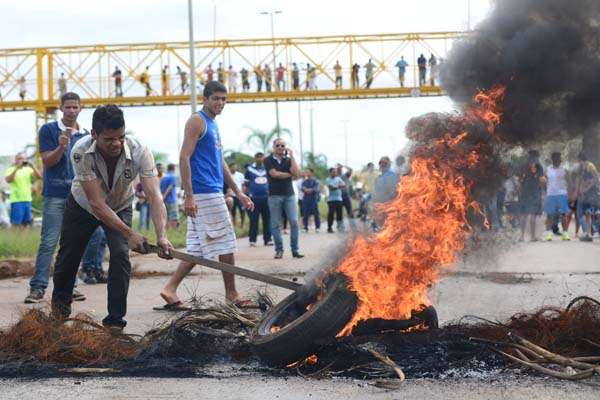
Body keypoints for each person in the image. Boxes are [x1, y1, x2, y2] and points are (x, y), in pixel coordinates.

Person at [51, 104, 174, 331]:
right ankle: (59, 313)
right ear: (94, 134)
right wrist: (130, 233)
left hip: (120, 205)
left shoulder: (140, 150)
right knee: (68, 257)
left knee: (120, 255)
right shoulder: (80, 151)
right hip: (82, 207)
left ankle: (115, 321)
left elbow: (155, 196)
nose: (117, 144)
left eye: (121, 137)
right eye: (109, 139)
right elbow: (97, 204)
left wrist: (162, 236)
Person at [160, 81, 254, 309]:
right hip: (204, 193)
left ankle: (169, 289)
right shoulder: (197, 121)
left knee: (198, 249)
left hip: (213, 190)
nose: (220, 103)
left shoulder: (213, 125)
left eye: (224, 99)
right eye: (216, 98)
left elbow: (219, 162)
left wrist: (238, 192)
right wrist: (189, 196)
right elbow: (184, 157)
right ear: (206, 98)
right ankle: (231, 293)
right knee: (226, 243)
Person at [25, 92, 91, 303]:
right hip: (55, 194)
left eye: (75, 107)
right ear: (60, 108)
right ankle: (37, 287)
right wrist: (62, 145)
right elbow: (48, 162)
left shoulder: (87, 135)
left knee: (73, 243)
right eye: (68, 107)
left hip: (78, 197)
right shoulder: (49, 130)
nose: (71, 110)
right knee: (49, 242)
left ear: (81, 109)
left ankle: (70, 286)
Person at [264, 138, 303, 259]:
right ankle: (279, 250)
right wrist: (288, 175)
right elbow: (274, 174)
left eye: (282, 145)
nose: (280, 147)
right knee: (275, 224)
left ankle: (295, 250)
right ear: (273, 146)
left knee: (294, 222)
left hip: (289, 195)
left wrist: (292, 156)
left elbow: (296, 173)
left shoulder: (288, 160)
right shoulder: (268, 160)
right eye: (278, 145)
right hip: (274, 195)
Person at [4, 153, 40, 227]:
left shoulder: (28, 169)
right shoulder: (10, 169)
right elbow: (8, 180)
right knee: (16, 224)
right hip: (17, 201)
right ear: (15, 160)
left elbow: (39, 177)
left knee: (27, 224)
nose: (22, 160)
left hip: (27, 200)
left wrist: (33, 166)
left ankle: (23, 238)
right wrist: (17, 168)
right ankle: (14, 238)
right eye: (20, 158)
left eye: (23, 158)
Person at [245, 152, 272, 246]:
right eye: (258, 157)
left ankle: (268, 239)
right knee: (254, 219)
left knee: (267, 219)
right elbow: (246, 183)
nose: (260, 159)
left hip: (266, 197)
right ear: (255, 158)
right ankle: (252, 240)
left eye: (261, 157)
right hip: (254, 198)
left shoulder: (268, 168)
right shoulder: (250, 169)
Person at [542, 152, 571, 241]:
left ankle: (565, 234)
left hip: (562, 194)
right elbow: (543, 182)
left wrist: (569, 194)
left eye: (559, 158)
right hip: (550, 195)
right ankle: (548, 234)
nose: (558, 160)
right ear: (552, 159)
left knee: (563, 214)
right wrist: (544, 193)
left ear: (561, 159)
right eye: (556, 158)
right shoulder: (547, 170)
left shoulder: (565, 170)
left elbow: (569, 182)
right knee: (549, 215)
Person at [518, 150, 545, 242]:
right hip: (535, 192)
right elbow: (542, 179)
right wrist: (544, 181)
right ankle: (532, 237)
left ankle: (521, 237)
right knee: (533, 214)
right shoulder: (538, 165)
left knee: (523, 214)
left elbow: (520, 179)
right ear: (536, 156)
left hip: (524, 192)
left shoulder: (524, 165)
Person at [576, 152, 600, 242]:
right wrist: (581, 191)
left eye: (578, 160)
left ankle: (594, 231)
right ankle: (588, 234)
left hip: (593, 192)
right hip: (586, 193)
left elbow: (596, 178)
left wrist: (587, 188)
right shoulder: (582, 168)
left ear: (580, 159)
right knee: (587, 213)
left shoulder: (590, 166)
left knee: (596, 212)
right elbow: (583, 180)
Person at [372, 156, 399, 229]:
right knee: (380, 225)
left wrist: (390, 200)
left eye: (384, 163)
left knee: (389, 225)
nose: (382, 165)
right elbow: (376, 191)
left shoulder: (393, 175)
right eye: (380, 163)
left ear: (389, 164)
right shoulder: (378, 177)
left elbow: (395, 190)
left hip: (390, 204)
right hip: (380, 204)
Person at [325, 167, 345, 233]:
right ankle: (329, 227)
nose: (335, 173)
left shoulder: (338, 178)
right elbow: (331, 188)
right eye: (333, 172)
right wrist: (339, 186)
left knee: (339, 214)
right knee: (331, 214)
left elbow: (344, 185)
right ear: (330, 172)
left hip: (339, 199)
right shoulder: (327, 179)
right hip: (331, 200)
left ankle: (340, 227)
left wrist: (337, 186)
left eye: (335, 172)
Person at [161, 163, 179, 230]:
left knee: (166, 216)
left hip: (165, 201)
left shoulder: (164, 177)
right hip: (172, 200)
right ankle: (174, 230)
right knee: (174, 217)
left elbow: (161, 189)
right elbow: (171, 187)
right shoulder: (173, 176)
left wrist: (163, 197)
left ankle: (167, 230)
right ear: (174, 168)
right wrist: (165, 195)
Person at [229, 163, 246, 228]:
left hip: (240, 196)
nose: (234, 168)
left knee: (242, 210)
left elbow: (243, 185)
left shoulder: (240, 175)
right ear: (229, 167)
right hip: (232, 195)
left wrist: (243, 194)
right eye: (232, 166)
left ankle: (242, 224)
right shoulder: (228, 175)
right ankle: (234, 223)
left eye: (235, 166)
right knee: (233, 211)